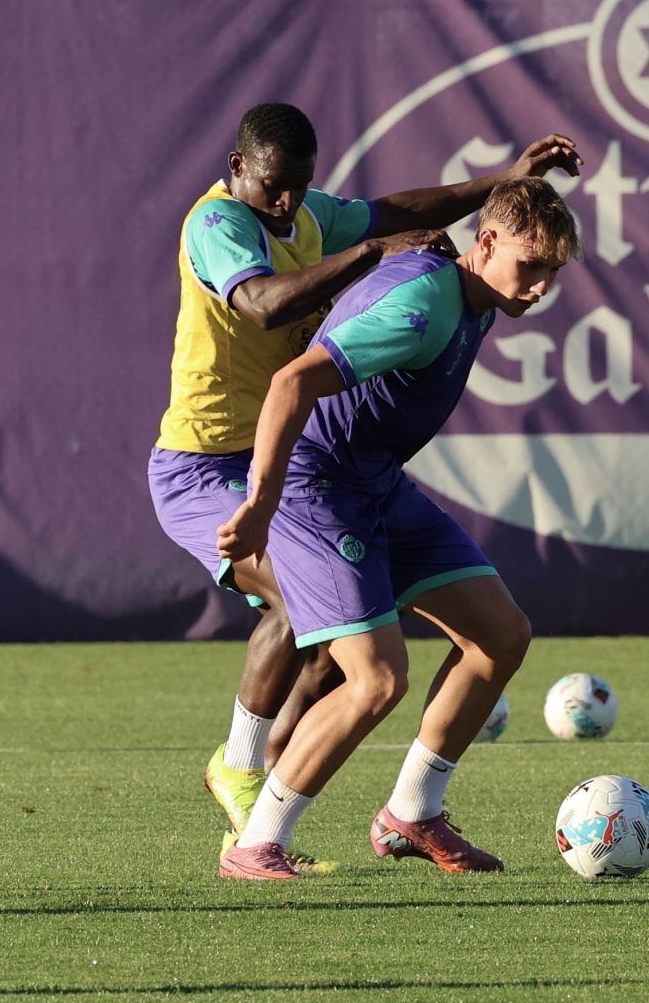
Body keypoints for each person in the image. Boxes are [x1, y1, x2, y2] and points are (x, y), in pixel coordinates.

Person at [148, 103, 578, 871]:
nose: (540, 288)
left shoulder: (472, 288)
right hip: (285, 477)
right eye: (531, 266)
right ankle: (255, 835)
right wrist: (260, 506)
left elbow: (398, 209)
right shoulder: (414, 303)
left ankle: (411, 813)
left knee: (500, 635)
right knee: (372, 674)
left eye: (553, 272)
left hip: (369, 483)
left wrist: (505, 183)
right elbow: (288, 377)